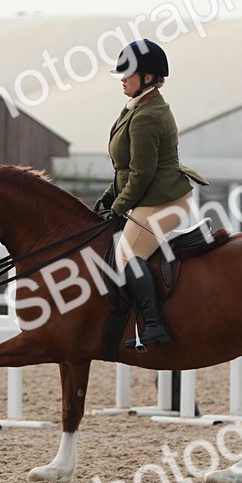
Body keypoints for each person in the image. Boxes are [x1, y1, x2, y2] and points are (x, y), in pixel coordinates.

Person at [93, 39, 208, 348]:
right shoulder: (137, 107)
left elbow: (142, 174)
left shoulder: (147, 116)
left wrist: (119, 206)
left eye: (127, 74)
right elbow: (128, 168)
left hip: (164, 200)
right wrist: (110, 195)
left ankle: (155, 325)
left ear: (147, 77)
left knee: (127, 254)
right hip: (150, 194)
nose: (122, 79)